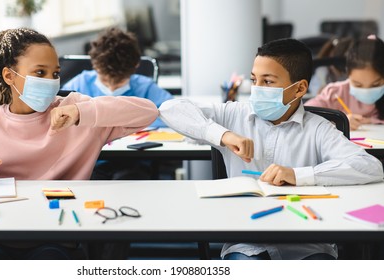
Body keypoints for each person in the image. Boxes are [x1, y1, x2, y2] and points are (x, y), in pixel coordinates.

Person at [0, 28, 158, 260]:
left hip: (56, 232)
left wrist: (80, 112)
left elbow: (149, 111)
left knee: (50, 259)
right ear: (9, 76)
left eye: (55, 74)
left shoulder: (75, 110)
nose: (50, 81)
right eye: (40, 72)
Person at [159, 38, 384, 260]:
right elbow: (170, 108)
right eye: (254, 80)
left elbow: (369, 167)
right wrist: (223, 135)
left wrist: (298, 175)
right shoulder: (233, 115)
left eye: (268, 82)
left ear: (299, 89)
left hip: (307, 241)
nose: (257, 89)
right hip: (247, 241)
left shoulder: (318, 129)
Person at [62, 27, 175, 181]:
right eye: (106, 79)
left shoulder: (144, 87)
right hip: (92, 162)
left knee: (130, 180)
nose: (112, 87)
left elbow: (172, 113)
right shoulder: (80, 84)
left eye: (120, 81)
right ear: (95, 65)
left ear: (136, 66)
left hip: (134, 161)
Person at [306, 36, 384, 130]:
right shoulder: (335, 92)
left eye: (375, 85)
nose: (366, 91)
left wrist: (372, 121)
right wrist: (339, 121)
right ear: (348, 74)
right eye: (357, 84)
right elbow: (306, 114)